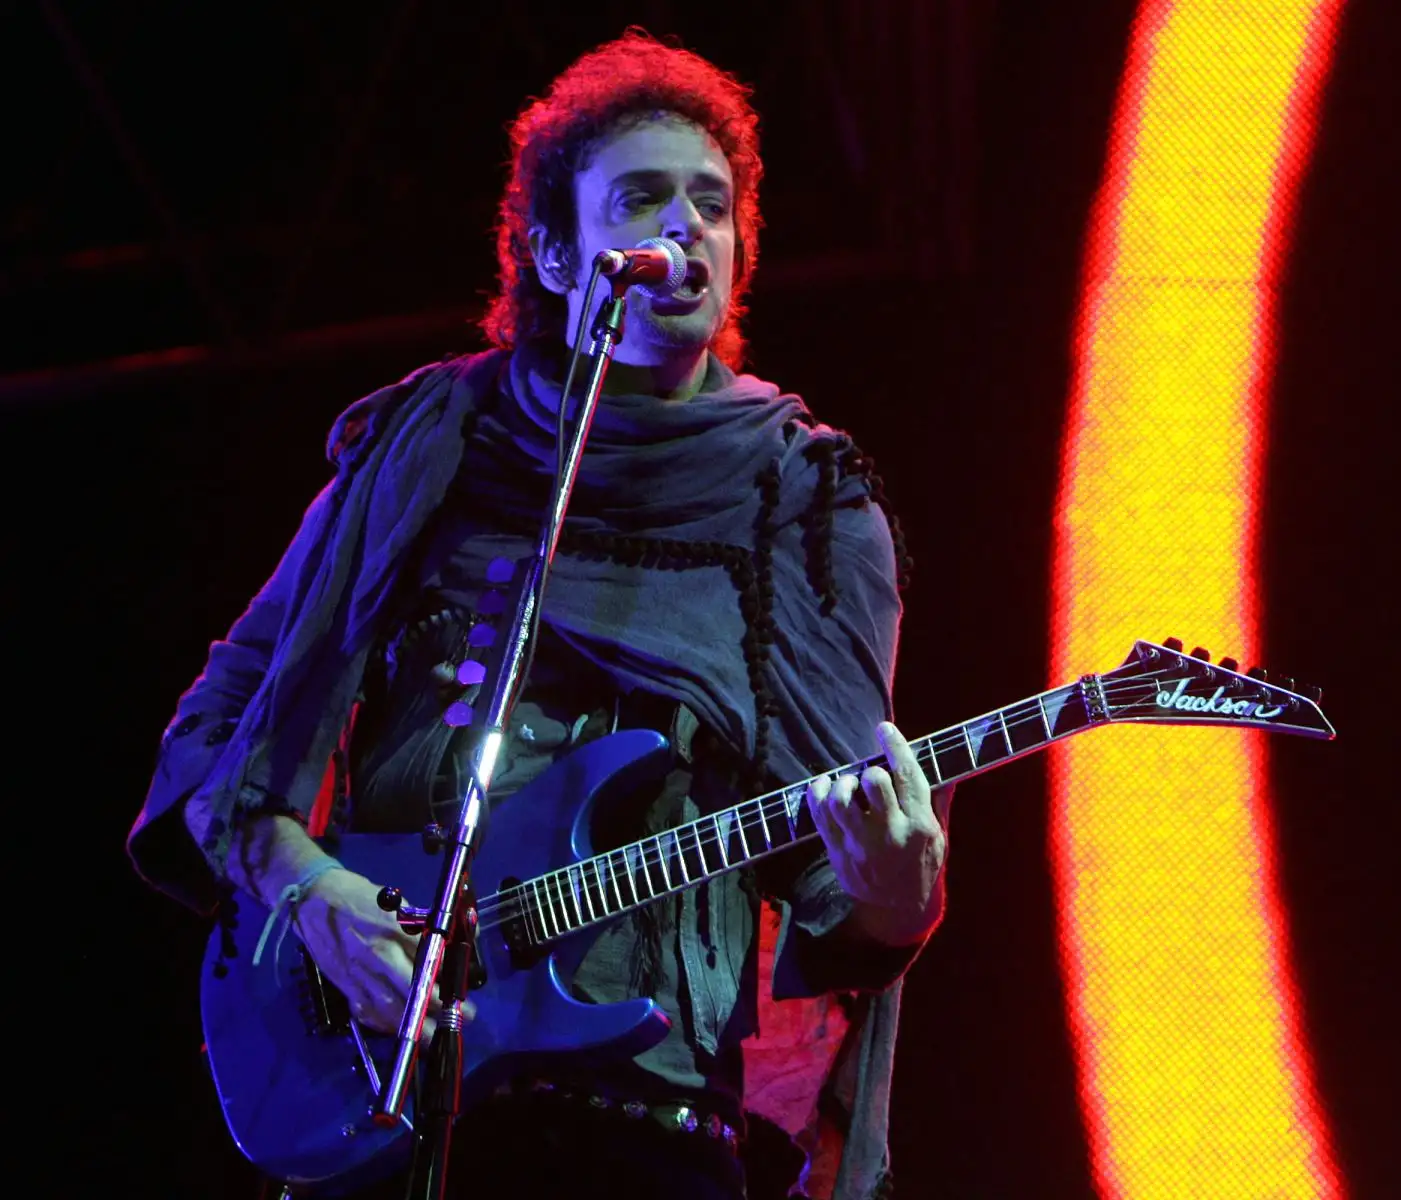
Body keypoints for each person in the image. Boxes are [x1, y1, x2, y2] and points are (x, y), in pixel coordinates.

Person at [126, 30, 950, 1200]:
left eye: (712, 205)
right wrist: (309, 891)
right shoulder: (433, 445)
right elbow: (220, 733)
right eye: (644, 200)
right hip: (385, 1092)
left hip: (649, 1117)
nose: (685, 229)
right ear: (555, 254)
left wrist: (900, 894)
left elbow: (836, 875)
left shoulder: (805, 498)